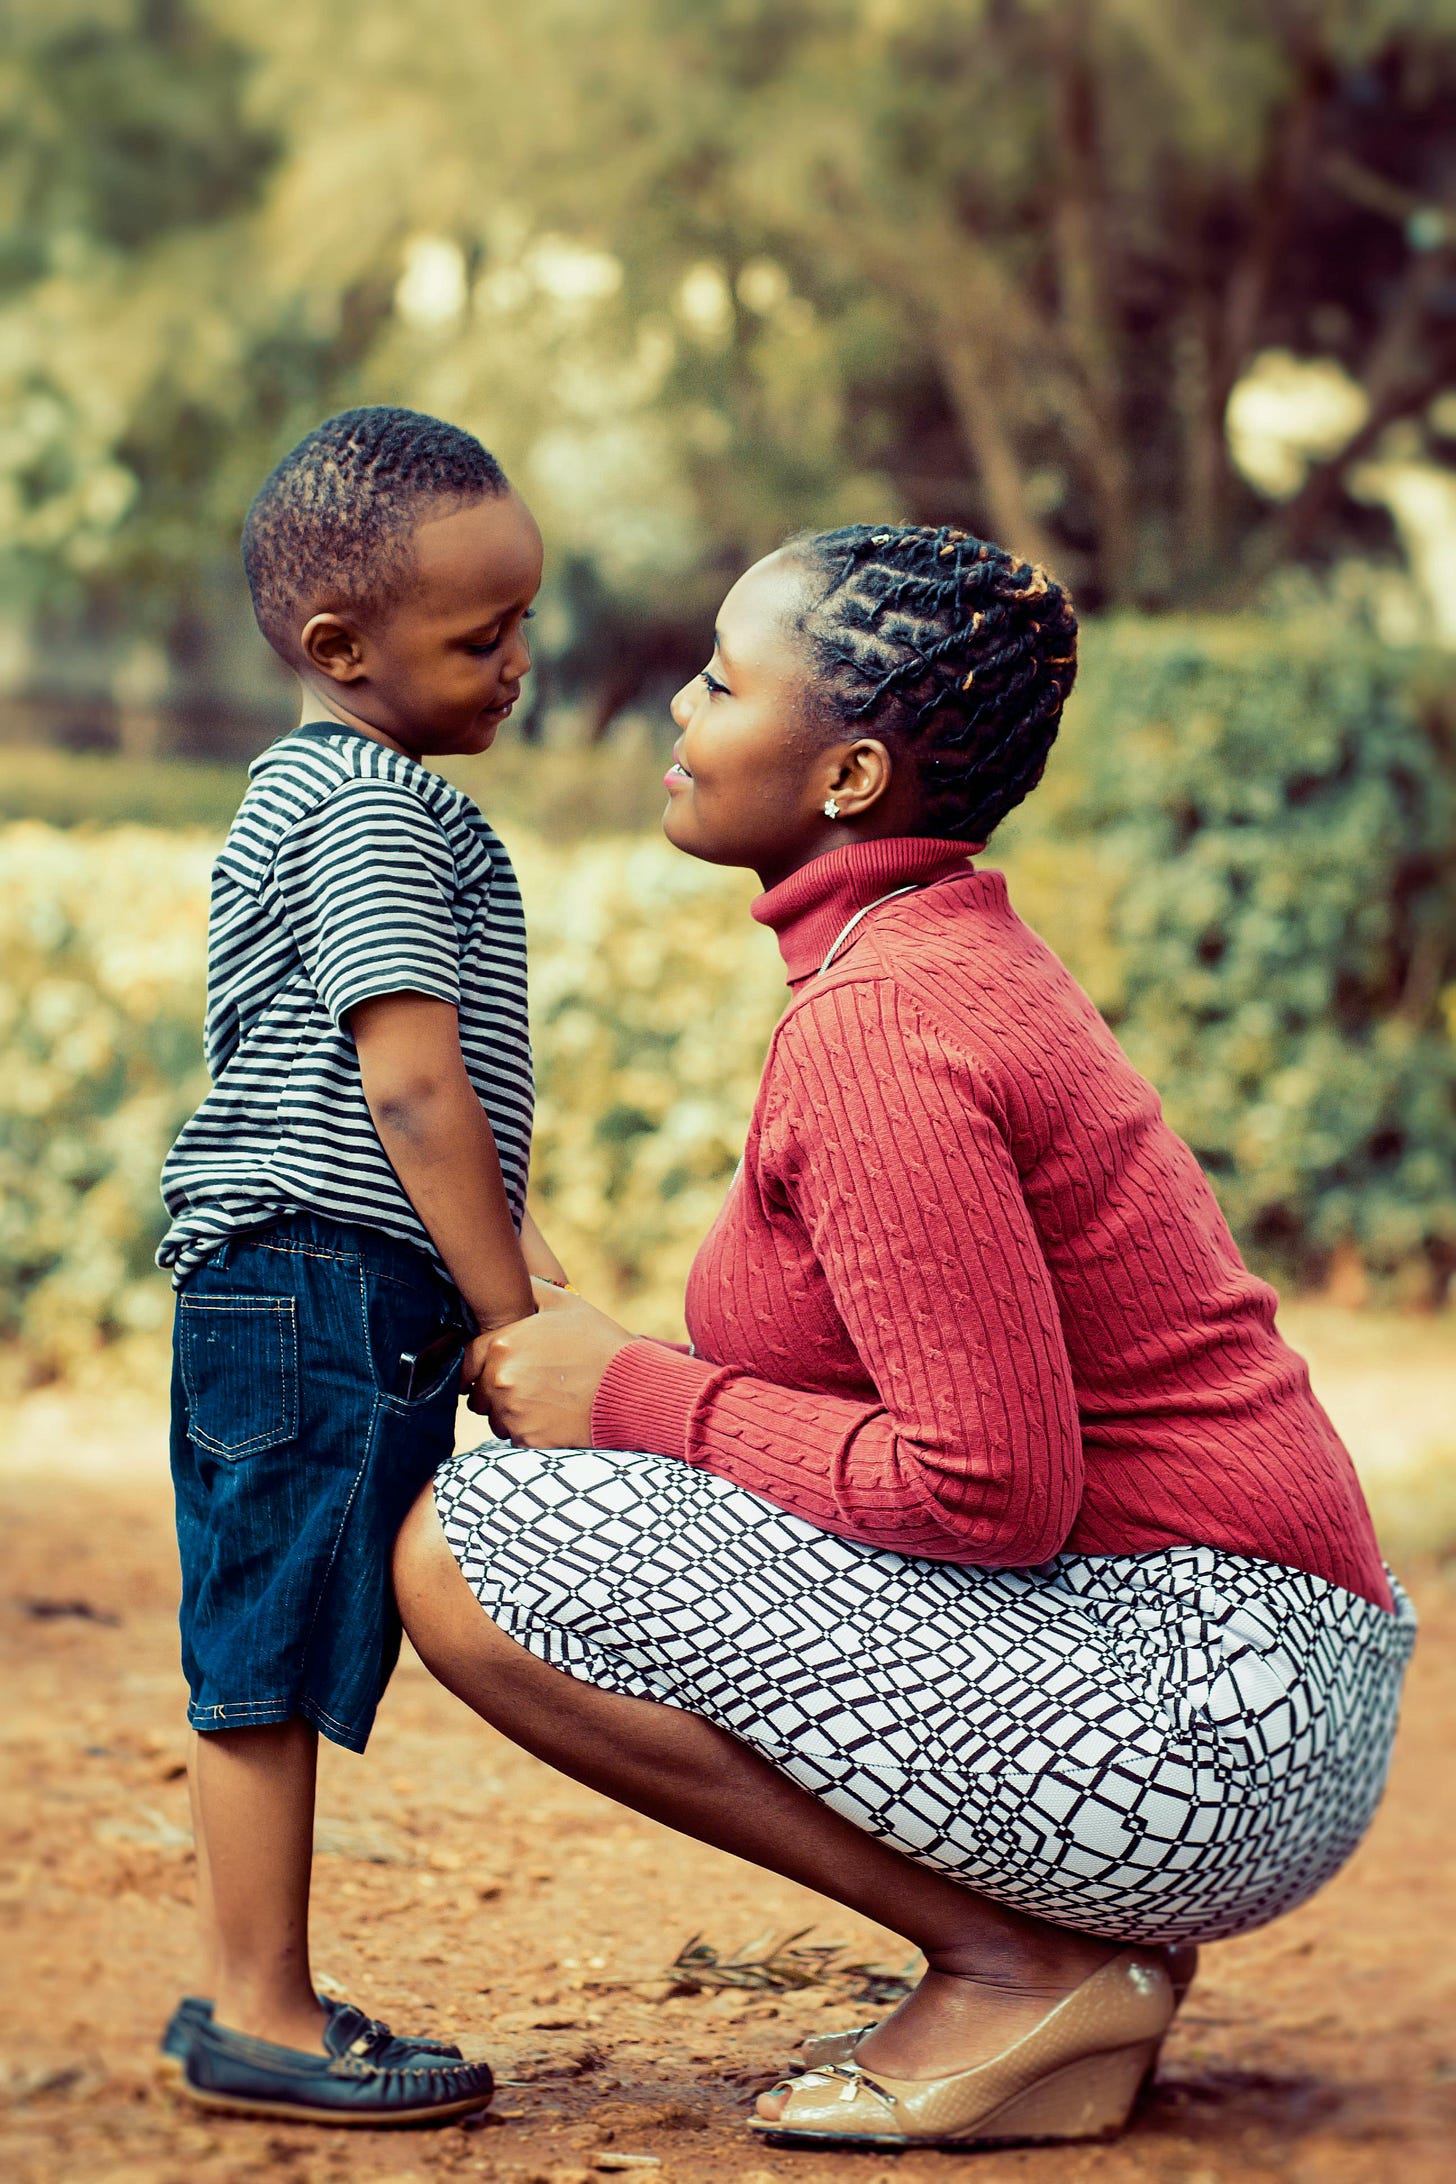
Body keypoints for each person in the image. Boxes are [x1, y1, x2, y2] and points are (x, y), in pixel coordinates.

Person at [394, 522, 1416, 2153]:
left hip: (1215, 1715)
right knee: (551, 1509)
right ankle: (1064, 1966)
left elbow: (986, 1486)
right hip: (1252, 1676)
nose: (680, 709)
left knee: (473, 1551)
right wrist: (619, 1372)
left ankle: (1025, 1968)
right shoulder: (928, 957)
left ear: (851, 777)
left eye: (723, 682)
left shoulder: (882, 1022)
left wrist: (634, 1393)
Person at [156, 406, 564, 2125]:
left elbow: (435, 1107)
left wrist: (527, 1267)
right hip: (313, 1279)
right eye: (483, 637)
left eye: (524, 620)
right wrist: (513, 1315)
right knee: (265, 1641)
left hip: (321, 1281)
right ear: (342, 650)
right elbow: (409, 1085)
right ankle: (259, 2009)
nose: (522, 663)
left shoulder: (342, 799)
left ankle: (260, 1996)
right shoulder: (370, 809)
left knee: (286, 1624)